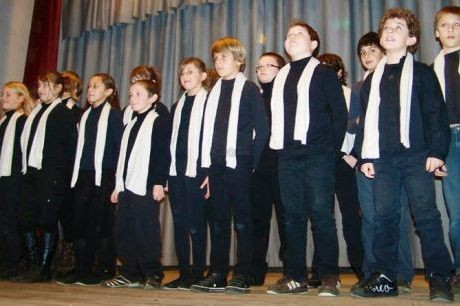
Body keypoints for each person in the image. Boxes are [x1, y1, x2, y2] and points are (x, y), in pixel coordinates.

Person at [352, 8, 454, 302]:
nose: (391, 30)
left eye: (398, 27)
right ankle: (385, 277)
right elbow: (367, 122)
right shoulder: (372, 79)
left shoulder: (422, 72)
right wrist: (365, 158)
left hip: (417, 157)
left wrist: (437, 152)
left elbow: (436, 115)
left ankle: (440, 279)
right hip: (382, 159)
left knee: (427, 218)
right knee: (384, 218)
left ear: (411, 39)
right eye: (387, 27)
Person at [265, 20, 347, 297]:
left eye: (299, 34)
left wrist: (330, 150)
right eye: (289, 35)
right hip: (287, 155)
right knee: (292, 218)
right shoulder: (282, 75)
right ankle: (294, 277)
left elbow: (339, 115)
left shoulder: (323, 73)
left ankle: (329, 276)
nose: (292, 37)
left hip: (318, 154)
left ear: (313, 44)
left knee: (322, 217)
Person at [191, 37, 269, 294]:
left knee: (243, 221)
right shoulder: (212, 91)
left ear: (239, 60)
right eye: (215, 58)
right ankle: (218, 273)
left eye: (223, 57)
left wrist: (251, 164)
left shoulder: (248, 89)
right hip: (216, 166)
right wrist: (206, 169)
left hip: (241, 165)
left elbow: (262, 130)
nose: (218, 62)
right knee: (219, 220)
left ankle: (243, 273)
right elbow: (206, 133)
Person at [349, 32, 414, 293]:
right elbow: (352, 124)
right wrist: (352, 153)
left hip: (392, 159)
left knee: (395, 216)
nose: (367, 57)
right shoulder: (358, 86)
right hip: (364, 159)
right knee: (370, 218)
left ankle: (401, 273)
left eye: (372, 51)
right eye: (362, 53)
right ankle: (372, 272)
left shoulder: (399, 80)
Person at [56, 73, 123, 286]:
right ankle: (82, 268)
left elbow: (119, 149)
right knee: (80, 222)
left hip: (104, 175)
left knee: (100, 223)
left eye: (96, 86)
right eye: (90, 86)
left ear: (109, 92)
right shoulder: (84, 116)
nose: (91, 90)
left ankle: (103, 268)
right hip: (83, 175)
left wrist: (115, 179)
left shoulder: (113, 116)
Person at [102, 78, 169, 289]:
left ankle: (153, 273)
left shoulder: (158, 120)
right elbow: (124, 158)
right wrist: (117, 185)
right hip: (126, 185)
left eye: (139, 94)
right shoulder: (130, 123)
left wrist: (159, 183)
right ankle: (130, 273)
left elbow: (161, 154)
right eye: (131, 94)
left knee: (145, 229)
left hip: (146, 185)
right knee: (123, 230)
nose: (133, 98)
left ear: (153, 98)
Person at [16, 71, 78, 282]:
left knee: (47, 220)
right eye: (40, 85)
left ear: (59, 88)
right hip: (32, 172)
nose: (41, 90)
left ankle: (43, 267)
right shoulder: (35, 113)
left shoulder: (63, 114)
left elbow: (71, 149)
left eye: (46, 85)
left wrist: (62, 178)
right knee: (26, 218)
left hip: (51, 176)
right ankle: (33, 263)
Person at [310, 53, 364, 286]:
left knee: (351, 218)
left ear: (340, 73)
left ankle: (363, 270)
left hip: (343, 162)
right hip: (321, 161)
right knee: (321, 216)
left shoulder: (351, 95)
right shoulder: (313, 96)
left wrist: (354, 156)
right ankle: (321, 271)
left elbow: (363, 127)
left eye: (330, 70)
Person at [164, 57, 210, 290]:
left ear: (203, 76)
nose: (185, 76)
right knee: (180, 224)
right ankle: (183, 273)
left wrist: (207, 172)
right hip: (176, 172)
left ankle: (199, 272)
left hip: (198, 172)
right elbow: (171, 143)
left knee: (197, 225)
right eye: (182, 72)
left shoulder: (210, 101)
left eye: (191, 71)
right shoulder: (177, 106)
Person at [249, 52, 286, 286]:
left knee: (287, 221)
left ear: (280, 69)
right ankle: (254, 271)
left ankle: (293, 271)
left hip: (283, 168)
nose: (262, 70)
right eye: (259, 66)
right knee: (257, 222)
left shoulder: (288, 96)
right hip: (258, 170)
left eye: (268, 65)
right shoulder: (254, 98)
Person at [432, 5, 460, 297]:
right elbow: (433, 116)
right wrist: (437, 151)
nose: (451, 29)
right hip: (449, 140)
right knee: (457, 215)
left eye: (457, 24)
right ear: (436, 33)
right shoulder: (433, 69)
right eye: (446, 25)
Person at [0, 82, 33, 279]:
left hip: (14, 178)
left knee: (10, 222)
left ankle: (13, 263)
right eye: (3, 94)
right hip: (4, 176)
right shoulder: (4, 120)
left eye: (9, 95)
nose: (4, 98)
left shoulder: (22, 121)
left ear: (22, 98)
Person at [54, 70, 83, 276]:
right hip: (55, 170)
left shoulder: (75, 111)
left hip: (70, 171)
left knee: (69, 215)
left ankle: (70, 257)